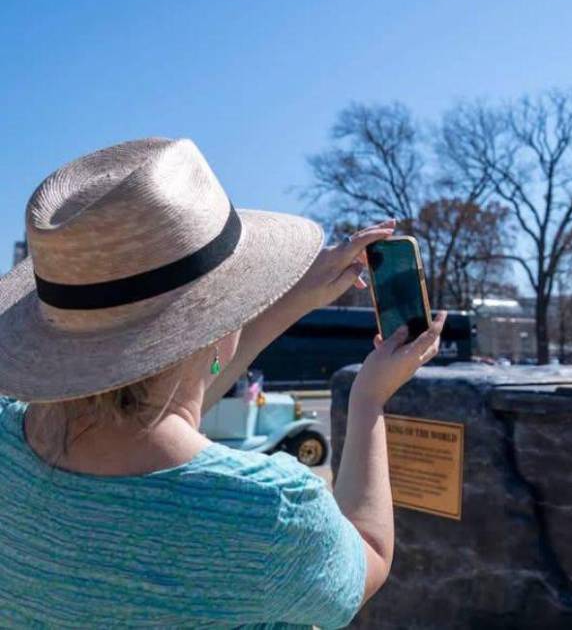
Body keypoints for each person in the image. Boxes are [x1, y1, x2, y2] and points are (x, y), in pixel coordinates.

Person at [0, 137, 444, 626]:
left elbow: (147, 412)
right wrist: (369, 401)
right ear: (215, 324)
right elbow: (369, 559)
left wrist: (290, 300)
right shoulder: (266, 510)